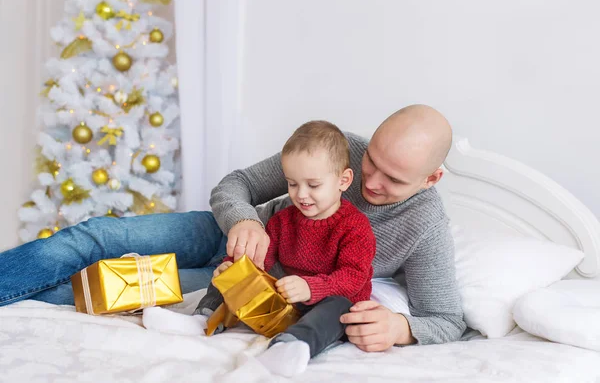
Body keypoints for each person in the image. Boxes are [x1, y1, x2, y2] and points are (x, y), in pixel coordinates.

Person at [0, 104, 466, 351]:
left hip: (244, 280)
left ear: (432, 178)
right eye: (371, 163)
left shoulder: (427, 228)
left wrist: (402, 329)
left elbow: (446, 320)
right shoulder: (341, 147)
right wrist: (245, 220)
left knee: (95, 287)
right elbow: (236, 184)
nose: (369, 180)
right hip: (216, 232)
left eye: (392, 178)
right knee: (97, 236)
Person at [143, 120, 377, 377]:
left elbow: (353, 277)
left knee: (341, 308)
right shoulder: (283, 219)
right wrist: (234, 267)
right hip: (283, 301)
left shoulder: (355, 226)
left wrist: (311, 287)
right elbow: (260, 260)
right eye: (292, 184)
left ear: (343, 181)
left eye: (313, 185)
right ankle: (203, 319)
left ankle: (292, 345)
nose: (301, 195)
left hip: (327, 301)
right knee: (234, 269)